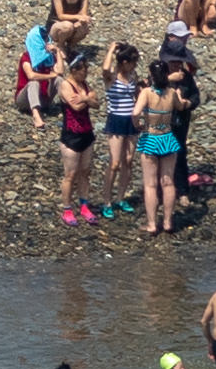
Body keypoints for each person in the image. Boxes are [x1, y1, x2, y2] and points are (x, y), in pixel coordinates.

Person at [133, 61, 185, 234]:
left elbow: (135, 112)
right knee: (168, 182)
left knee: (150, 184)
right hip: (167, 138)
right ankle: (168, 222)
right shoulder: (171, 93)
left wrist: (138, 125)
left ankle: (152, 224)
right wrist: (182, 98)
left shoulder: (147, 93)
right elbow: (180, 106)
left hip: (151, 137)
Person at [157, 21, 202, 192]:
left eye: (178, 62)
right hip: (162, 121)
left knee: (180, 153)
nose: (176, 65)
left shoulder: (186, 77)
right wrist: (169, 80)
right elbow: (151, 91)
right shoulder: (159, 73)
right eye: (173, 62)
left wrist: (187, 104)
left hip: (180, 120)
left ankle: (182, 190)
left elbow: (196, 97)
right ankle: (161, 190)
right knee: (160, 154)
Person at [55, 50, 98, 225]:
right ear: (74, 70)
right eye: (83, 70)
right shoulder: (65, 85)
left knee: (85, 172)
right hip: (71, 135)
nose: (85, 72)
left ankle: (84, 205)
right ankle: (67, 209)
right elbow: (76, 107)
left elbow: (96, 103)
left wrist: (85, 98)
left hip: (87, 133)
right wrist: (87, 99)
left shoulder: (85, 86)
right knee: (70, 174)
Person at [98, 42, 140, 219]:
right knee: (114, 163)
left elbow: (137, 95)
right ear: (123, 62)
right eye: (132, 62)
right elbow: (105, 68)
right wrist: (111, 49)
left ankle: (120, 198)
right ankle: (106, 200)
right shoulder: (112, 77)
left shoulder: (132, 75)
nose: (135, 65)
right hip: (116, 120)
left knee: (128, 161)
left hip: (130, 121)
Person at [16, 25, 59, 130]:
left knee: (60, 79)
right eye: (43, 40)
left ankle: (70, 107)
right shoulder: (27, 57)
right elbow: (31, 75)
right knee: (34, 83)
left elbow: (60, 72)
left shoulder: (50, 57)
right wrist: (50, 75)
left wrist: (57, 52)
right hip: (25, 100)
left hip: (44, 98)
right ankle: (36, 114)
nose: (46, 43)